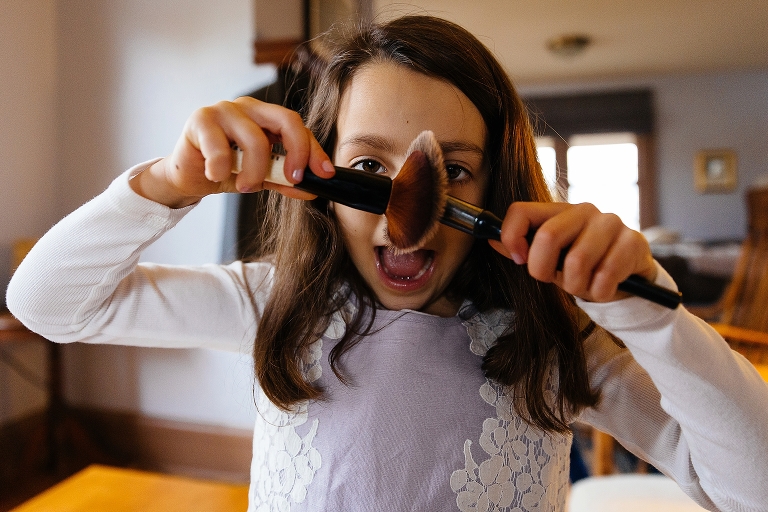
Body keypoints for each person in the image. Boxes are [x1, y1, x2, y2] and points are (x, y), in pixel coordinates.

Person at [7, 15, 768, 512]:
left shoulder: (551, 345)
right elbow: (46, 303)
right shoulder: (274, 301)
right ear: (321, 180)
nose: (412, 211)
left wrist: (651, 318)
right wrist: (165, 186)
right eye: (369, 166)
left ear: (498, 189)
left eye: (455, 171)